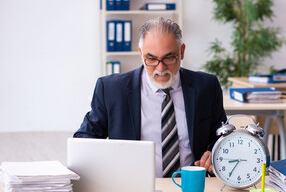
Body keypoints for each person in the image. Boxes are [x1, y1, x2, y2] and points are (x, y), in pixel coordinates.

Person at [74, 17, 227, 177]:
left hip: (192, 187)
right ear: (141, 54)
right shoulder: (112, 90)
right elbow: (83, 140)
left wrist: (214, 152)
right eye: (152, 59)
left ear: (182, 51)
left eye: (169, 58)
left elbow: (221, 137)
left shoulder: (206, 86)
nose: (160, 68)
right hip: (133, 187)